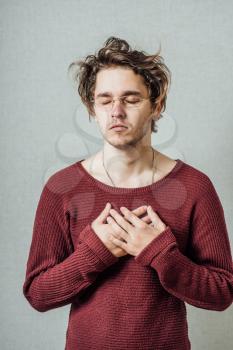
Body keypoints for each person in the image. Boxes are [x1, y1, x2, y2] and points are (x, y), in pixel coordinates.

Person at [22, 36, 233, 350]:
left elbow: (222, 293)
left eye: (131, 99)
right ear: (91, 107)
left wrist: (160, 252)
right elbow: (38, 294)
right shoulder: (61, 187)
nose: (116, 111)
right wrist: (95, 252)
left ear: (156, 105)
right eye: (105, 99)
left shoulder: (194, 187)